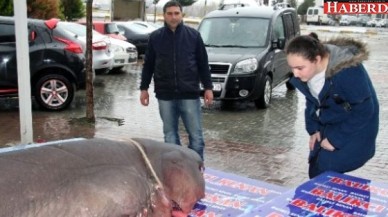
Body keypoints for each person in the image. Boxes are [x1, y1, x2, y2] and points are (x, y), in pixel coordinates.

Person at [285, 35, 379, 179]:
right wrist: (313, 128)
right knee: (316, 168)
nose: (295, 74)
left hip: (357, 126)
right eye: (292, 68)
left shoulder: (348, 72)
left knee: (325, 170)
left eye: (299, 68)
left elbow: (365, 110)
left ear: (317, 59)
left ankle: (347, 198)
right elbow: (311, 99)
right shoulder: (308, 72)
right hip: (330, 121)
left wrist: (336, 139)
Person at [139, 0, 213, 161]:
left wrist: (208, 87)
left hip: (189, 94)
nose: (173, 17)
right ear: (164, 16)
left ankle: (196, 169)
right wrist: (144, 88)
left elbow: (203, 64)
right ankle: (177, 170)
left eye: (176, 13)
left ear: (182, 15)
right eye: (170, 13)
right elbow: (148, 65)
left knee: (196, 136)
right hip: (165, 95)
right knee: (170, 136)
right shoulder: (155, 38)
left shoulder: (193, 36)